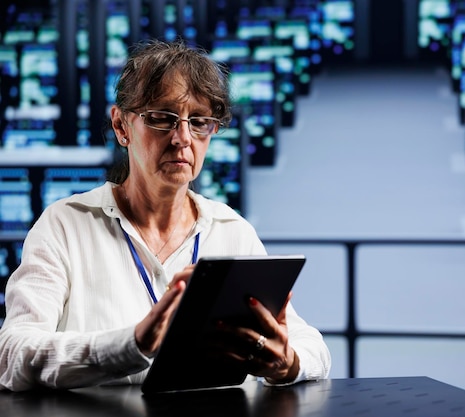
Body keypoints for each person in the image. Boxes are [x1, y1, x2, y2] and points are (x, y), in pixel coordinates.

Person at [0, 39, 331, 391]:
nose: (182, 138)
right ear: (121, 126)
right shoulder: (65, 225)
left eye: (200, 121)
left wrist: (287, 362)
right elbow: (11, 355)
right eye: (162, 118)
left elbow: (313, 348)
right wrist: (131, 345)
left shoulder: (231, 231)